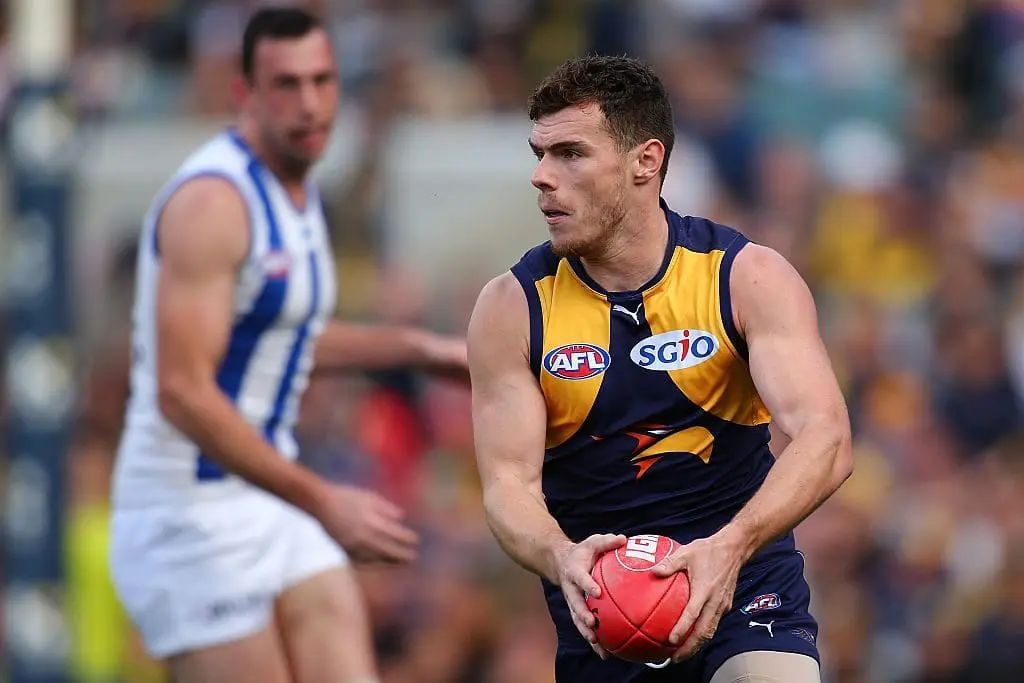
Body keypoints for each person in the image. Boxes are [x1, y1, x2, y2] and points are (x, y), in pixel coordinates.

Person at [467, 54, 853, 683]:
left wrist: (731, 547)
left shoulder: (745, 278)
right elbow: (507, 485)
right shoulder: (511, 307)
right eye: (539, 154)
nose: (541, 176)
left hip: (742, 586)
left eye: (570, 154)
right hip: (603, 616)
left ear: (646, 161)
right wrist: (560, 555)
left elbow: (827, 438)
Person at [109, 7, 467, 683]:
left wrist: (422, 349)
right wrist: (323, 499)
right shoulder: (214, 204)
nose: (308, 103)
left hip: (264, 499)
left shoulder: (294, 192)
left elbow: (276, 339)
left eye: (321, 81)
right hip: (189, 514)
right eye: (286, 84)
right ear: (244, 93)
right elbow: (182, 390)